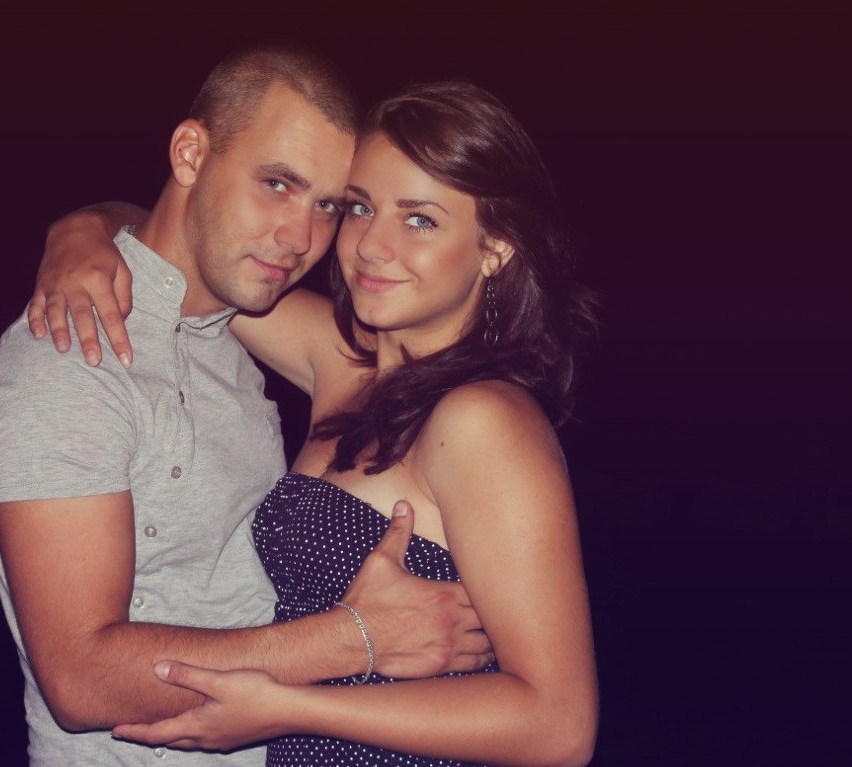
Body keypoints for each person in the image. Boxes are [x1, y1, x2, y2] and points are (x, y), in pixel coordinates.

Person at [31, 80, 599, 766]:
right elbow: (186, 247)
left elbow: (558, 725)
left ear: (494, 248)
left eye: (419, 219)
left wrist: (288, 707)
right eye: (360, 207)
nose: (371, 246)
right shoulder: (344, 363)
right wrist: (84, 229)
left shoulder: (483, 420)